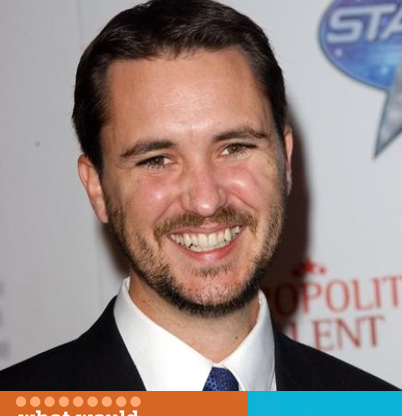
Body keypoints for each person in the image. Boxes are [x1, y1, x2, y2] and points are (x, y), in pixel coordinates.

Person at [0, 0, 398, 391]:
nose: (206, 201)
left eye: (235, 148)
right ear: (97, 188)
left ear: (285, 160)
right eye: (157, 160)